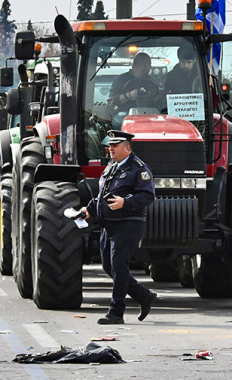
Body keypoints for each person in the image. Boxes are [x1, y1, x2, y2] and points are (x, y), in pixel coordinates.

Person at [79, 130, 157, 325]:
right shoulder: (111, 167)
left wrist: (126, 202)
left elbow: (148, 196)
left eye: (115, 146)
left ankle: (116, 312)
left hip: (128, 224)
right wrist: (89, 210)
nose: (110, 148)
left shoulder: (139, 169)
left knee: (119, 267)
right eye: (110, 145)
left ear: (127, 148)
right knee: (109, 266)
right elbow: (103, 195)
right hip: (109, 225)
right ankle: (143, 295)